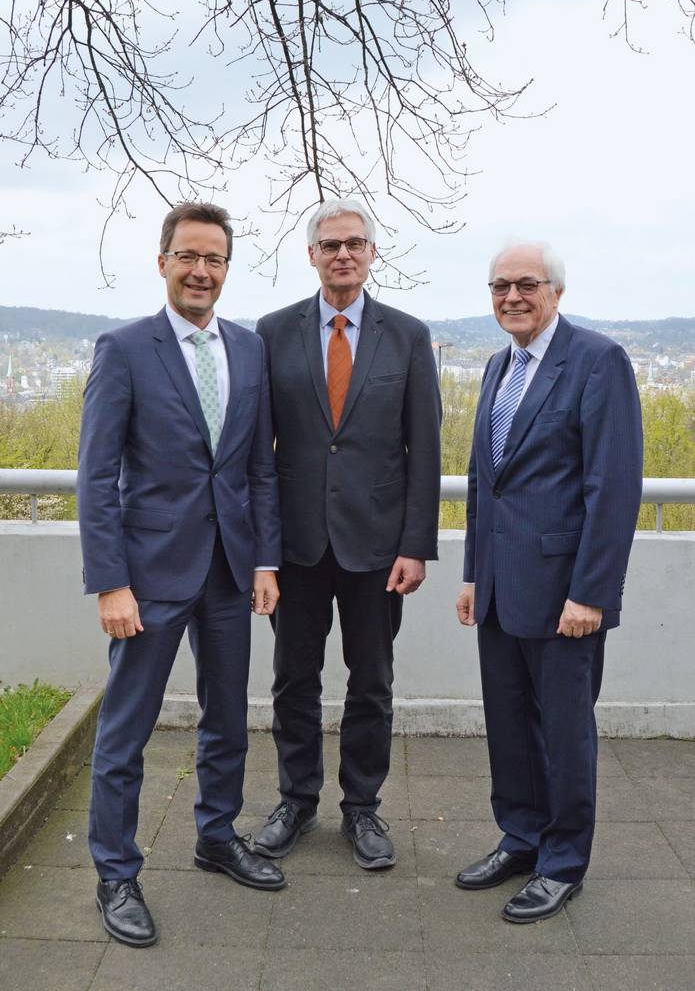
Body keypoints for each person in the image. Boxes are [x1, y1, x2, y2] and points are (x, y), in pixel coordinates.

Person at [77, 202, 286, 949]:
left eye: (216, 260)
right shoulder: (125, 348)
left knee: (227, 718)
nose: (202, 271)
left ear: (228, 268)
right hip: (148, 575)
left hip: (230, 570)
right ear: (162, 261)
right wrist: (110, 581)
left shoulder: (250, 349)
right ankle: (115, 872)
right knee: (125, 733)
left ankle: (216, 836)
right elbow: (96, 476)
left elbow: (259, 466)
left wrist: (265, 559)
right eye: (189, 257)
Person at [455, 242, 642, 923]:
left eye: (525, 284)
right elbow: (485, 484)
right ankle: (521, 838)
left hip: (566, 592)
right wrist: (474, 573)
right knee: (508, 726)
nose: (511, 296)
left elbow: (611, 488)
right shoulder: (495, 367)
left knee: (562, 732)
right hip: (501, 588)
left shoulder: (597, 361)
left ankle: (562, 862)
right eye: (499, 285)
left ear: (555, 292)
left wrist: (591, 593)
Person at [253, 199, 442, 869]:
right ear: (310, 255)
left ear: (370, 254)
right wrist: (261, 555)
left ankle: (361, 809)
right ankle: (295, 802)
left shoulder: (407, 335)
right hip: (296, 547)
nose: (342, 254)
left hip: (377, 549)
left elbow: (425, 445)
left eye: (354, 244)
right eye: (329, 244)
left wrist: (416, 544)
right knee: (292, 681)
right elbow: (257, 453)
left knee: (371, 682)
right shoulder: (272, 332)